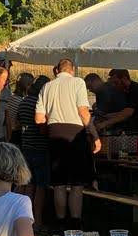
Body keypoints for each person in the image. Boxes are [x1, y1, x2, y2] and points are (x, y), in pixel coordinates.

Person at [35, 59, 100, 222]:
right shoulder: (78, 82)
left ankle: (60, 222)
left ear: (57, 71)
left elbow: (39, 119)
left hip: (54, 134)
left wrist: (49, 129)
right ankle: (75, 223)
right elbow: (83, 112)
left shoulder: (46, 86)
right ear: (72, 70)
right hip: (75, 134)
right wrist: (95, 135)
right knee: (77, 184)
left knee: (59, 183)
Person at [17, 75, 51, 227]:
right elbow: (42, 127)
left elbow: (18, 123)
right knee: (41, 187)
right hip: (40, 148)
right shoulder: (39, 103)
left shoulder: (24, 102)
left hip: (26, 147)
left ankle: (26, 218)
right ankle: (38, 221)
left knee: (29, 185)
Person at [97, 69, 138, 137]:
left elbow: (127, 113)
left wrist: (105, 123)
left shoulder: (137, 89)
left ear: (124, 78)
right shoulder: (126, 90)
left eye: (116, 83)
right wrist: (107, 116)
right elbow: (124, 112)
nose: (114, 86)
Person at [4, 71, 34, 146]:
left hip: (7, 131)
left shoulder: (11, 97)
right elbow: (18, 123)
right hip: (15, 134)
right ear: (27, 86)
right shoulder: (22, 101)